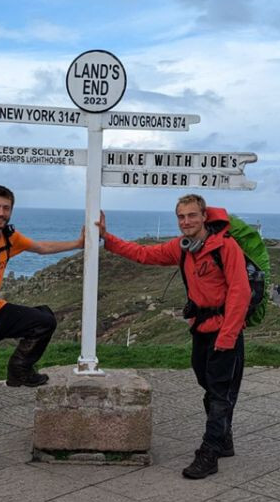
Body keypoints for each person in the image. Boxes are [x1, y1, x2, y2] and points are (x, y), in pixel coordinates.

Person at [97, 194, 250, 479]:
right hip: (201, 329)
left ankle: (210, 451)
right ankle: (224, 437)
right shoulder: (182, 248)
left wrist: (227, 337)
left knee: (219, 392)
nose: (186, 222)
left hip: (224, 330)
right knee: (208, 385)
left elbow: (241, 292)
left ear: (205, 216)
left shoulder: (225, 248)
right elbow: (144, 254)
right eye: (181, 217)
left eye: (192, 215)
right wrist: (108, 238)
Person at [0, 185, 84, 464]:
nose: (1, 213)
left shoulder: (9, 238)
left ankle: (19, 370)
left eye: (5, 208)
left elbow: (41, 247)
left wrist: (77, 244)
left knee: (44, 320)